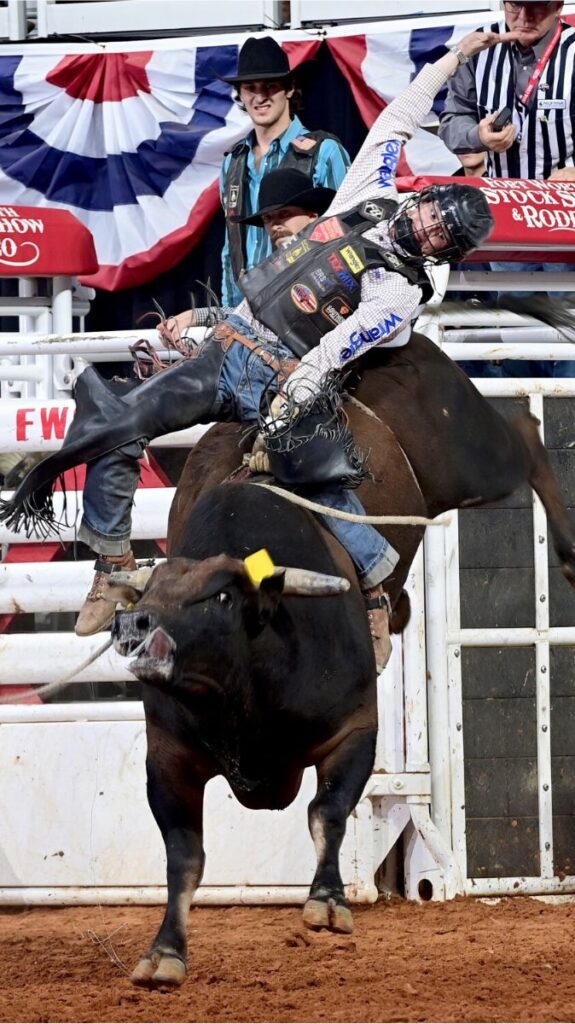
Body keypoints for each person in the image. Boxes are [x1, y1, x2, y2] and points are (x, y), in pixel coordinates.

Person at [0, 28, 505, 672]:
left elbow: (347, 339)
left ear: (441, 251)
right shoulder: (363, 193)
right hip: (233, 344)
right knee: (119, 417)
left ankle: (375, 586)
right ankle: (114, 562)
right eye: (433, 213)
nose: (426, 224)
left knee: (319, 481)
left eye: (438, 233)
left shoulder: (398, 289)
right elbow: (400, 116)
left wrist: (300, 388)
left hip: (284, 373)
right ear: (425, 198)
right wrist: (455, 58)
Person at [439, 0, 575, 377]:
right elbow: (451, 119)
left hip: (569, 228)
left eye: (538, 7)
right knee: (518, 335)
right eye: (517, 6)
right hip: (509, 222)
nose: (526, 17)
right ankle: (526, 431)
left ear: (559, 5)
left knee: (571, 338)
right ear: (503, 4)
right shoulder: (480, 51)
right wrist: (476, 136)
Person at [219, 36, 351, 306]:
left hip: (306, 305)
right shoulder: (233, 162)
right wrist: (230, 313)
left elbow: (345, 234)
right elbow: (230, 247)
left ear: (289, 89)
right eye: (250, 88)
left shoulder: (323, 151)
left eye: (270, 86)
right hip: (247, 312)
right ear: (241, 95)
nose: (260, 97)